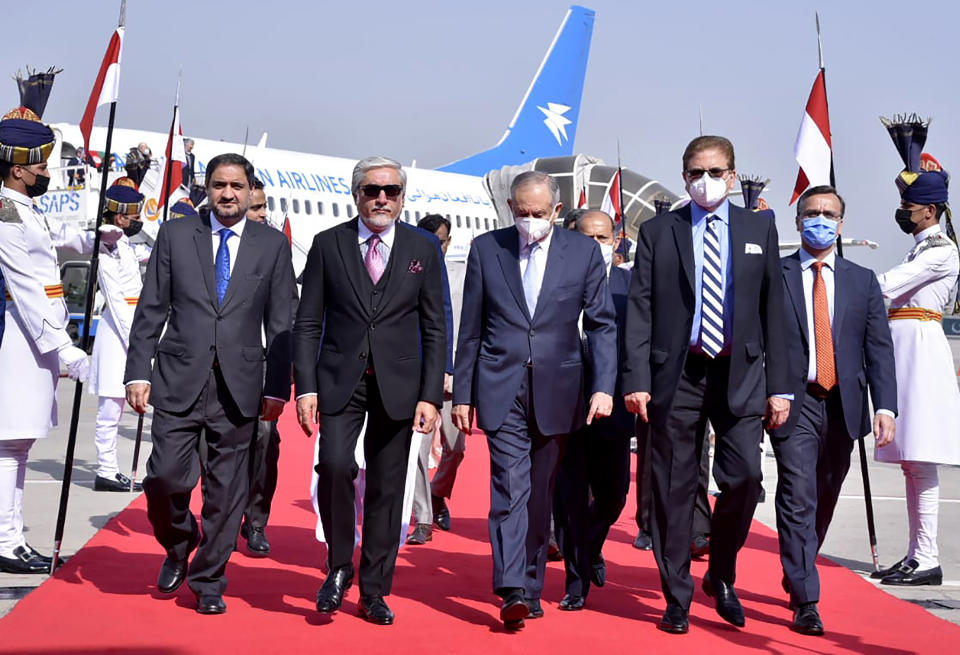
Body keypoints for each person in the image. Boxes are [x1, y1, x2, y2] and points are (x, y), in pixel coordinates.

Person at [622, 135, 790, 634]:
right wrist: (636, 378)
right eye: (696, 172)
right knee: (672, 490)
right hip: (678, 374)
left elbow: (773, 311)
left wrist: (779, 386)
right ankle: (677, 595)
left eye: (715, 172)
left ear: (733, 177)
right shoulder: (659, 231)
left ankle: (721, 572)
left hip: (739, 375)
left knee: (744, 481)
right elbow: (641, 308)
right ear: (684, 177)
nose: (705, 181)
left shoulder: (758, 226)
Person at [124, 153, 295, 615]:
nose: (227, 194)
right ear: (207, 188)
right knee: (162, 477)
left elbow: (282, 322)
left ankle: (209, 579)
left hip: (240, 385)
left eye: (237, 186)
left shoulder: (271, 245)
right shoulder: (178, 235)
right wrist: (138, 371)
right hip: (179, 378)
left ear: (250, 189)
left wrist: (278, 387)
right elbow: (151, 309)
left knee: (226, 491)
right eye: (219, 185)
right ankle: (180, 542)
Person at [453, 171, 616, 630]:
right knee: (509, 486)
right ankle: (511, 589)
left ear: (557, 211)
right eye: (521, 212)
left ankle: (531, 581)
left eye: (538, 213)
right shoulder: (488, 249)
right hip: (501, 385)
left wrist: (603, 387)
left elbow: (602, 324)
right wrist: (463, 393)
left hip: (560, 389)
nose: (529, 221)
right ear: (510, 206)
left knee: (541, 494)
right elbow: (471, 330)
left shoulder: (582, 253)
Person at [294, 156, 445, 625]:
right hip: (340, 381)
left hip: (400, 386)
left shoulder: (423, 248)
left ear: (402, 197)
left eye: (392, 191)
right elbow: (307, 323)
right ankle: (338, 566)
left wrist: (431, 396)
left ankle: (374, 589)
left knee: (386, 488)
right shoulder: (328, 244)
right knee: (336, 466)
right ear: (356, 193)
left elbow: (436, 328)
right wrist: (306, 387)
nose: (382, 198)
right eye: (372, 189)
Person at [771, 185, 897, 635]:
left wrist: (886, 406)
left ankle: (798, 564)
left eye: (828, 213)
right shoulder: (776, 274)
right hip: (792, 401)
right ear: (798, 220)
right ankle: (807, 598)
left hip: (844, 405)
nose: (819, 219)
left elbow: (878, 349)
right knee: (797, 494)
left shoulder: (862, 280)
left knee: (824, 494)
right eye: (811, 212)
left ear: (841, 224)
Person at [0, 107, 89, 573]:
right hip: (20, 338)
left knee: (17, 446)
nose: (46, 172)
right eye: (41, 164)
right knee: (9, 445)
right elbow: (28, 289)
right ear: (18, 169)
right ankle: (4, 540)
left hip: (37, 337)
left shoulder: (23, 208)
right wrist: (65, 350)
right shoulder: (6, 214)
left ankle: (9, 537)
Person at [872, 151, 960, 587]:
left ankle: (927, 557)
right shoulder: (922, 247)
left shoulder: (940, 251)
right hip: (905, 350)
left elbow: (890, 285)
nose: (903, 215)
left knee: (921, 459)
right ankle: (915, 554)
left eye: (908, 209)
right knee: (911, 462)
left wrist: (848, 282)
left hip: (922, 354)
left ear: (929, 210)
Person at [552, 209, 632, 610]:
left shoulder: (629, 286)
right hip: (565, 407)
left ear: (616, 242)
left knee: (613, 495)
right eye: (588, 238)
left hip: (614, 408)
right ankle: (575, 578)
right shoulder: (557, 280)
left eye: (604, 239)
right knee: (568, 500)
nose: (596, 246)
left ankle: (593, 545)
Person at [53, 182, 151, 492]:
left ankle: (118, 469)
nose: (138, 220)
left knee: (126, 407)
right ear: (120, 217)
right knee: (111, 409)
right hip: (120, 331)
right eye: (134, 215)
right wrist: (138, 342)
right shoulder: (107, 245)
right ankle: (107, 470)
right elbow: (117, 299)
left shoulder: (121, 244)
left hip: (134, 324)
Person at [406, 213, 465, 545]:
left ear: (448, 242)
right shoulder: (410, 272)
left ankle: (439, 491)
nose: (433, 246)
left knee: (457, 447)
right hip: (420, 375)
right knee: (418, 448)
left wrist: (454, 369)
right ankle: (423, 518)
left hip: (456, 376)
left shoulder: (463, 274)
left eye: (439, 241)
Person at [239, 177, 282, 556]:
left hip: (264, 368)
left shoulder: (276, 250)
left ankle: (255, 521)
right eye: (256, 208)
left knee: (265, 442)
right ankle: (219, 515)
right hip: (220, 368)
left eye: (265, 206)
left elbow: (289, 315)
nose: (263, 213)